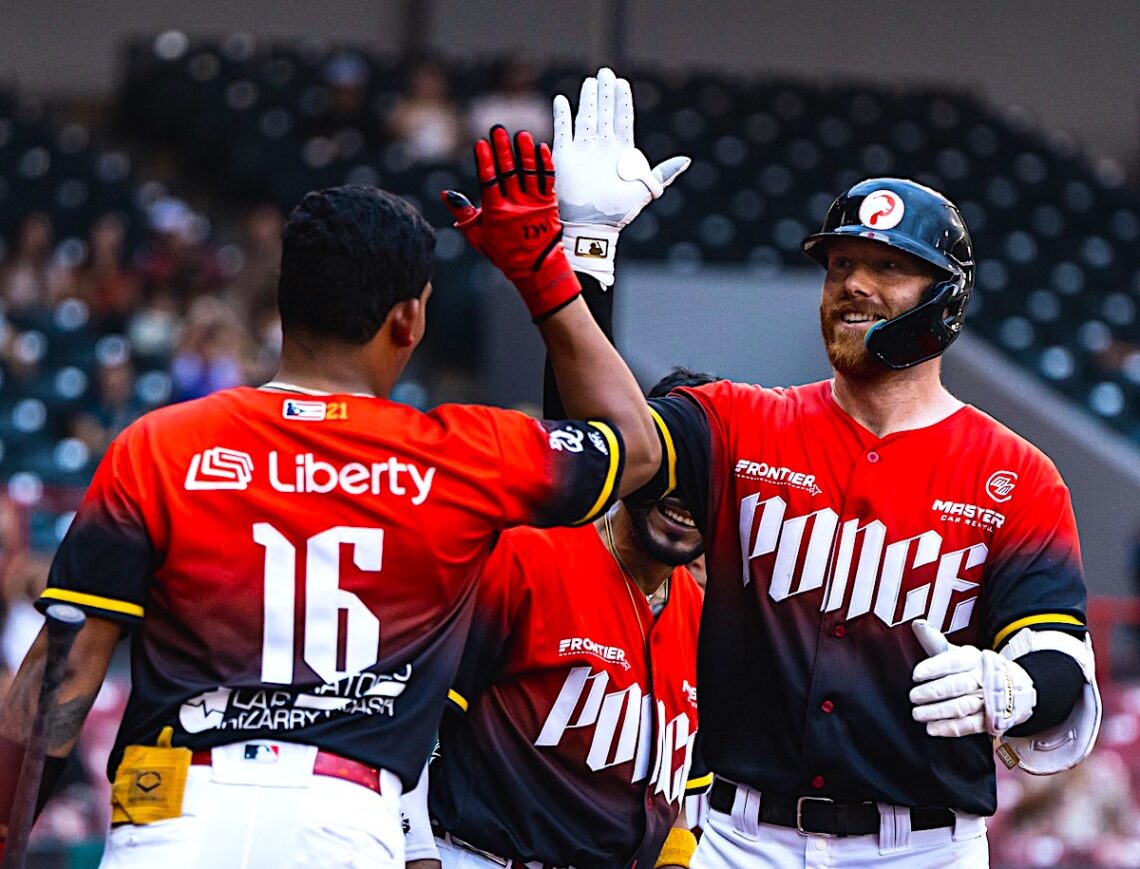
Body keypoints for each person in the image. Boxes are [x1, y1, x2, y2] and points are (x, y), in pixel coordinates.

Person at [0, 124, 663, 866]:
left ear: (284, 304)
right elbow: (638, 445)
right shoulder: (468, 455)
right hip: (341, 821)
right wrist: (548, 271)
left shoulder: (160, 445)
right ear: (408, 320)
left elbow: (59, 676)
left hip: (172, 813)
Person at [617, 176, 1102, 867]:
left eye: (889, 267)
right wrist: (581, 264)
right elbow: (599, 441)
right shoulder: (740, 422)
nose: (854, 283)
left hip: (923, 847)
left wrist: (1015, 686)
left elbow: (1059, 658)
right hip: (740, 838)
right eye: (841, 265)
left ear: (946, 297)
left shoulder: (1016, 473)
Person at [403, 369, 714, 869]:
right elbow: (413, 720)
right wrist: (417, 854)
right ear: (639, 459)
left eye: (708, 477)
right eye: (672, 467)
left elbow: (677, 808)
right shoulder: (527, 555)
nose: (684, 496)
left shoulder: (707, 624)